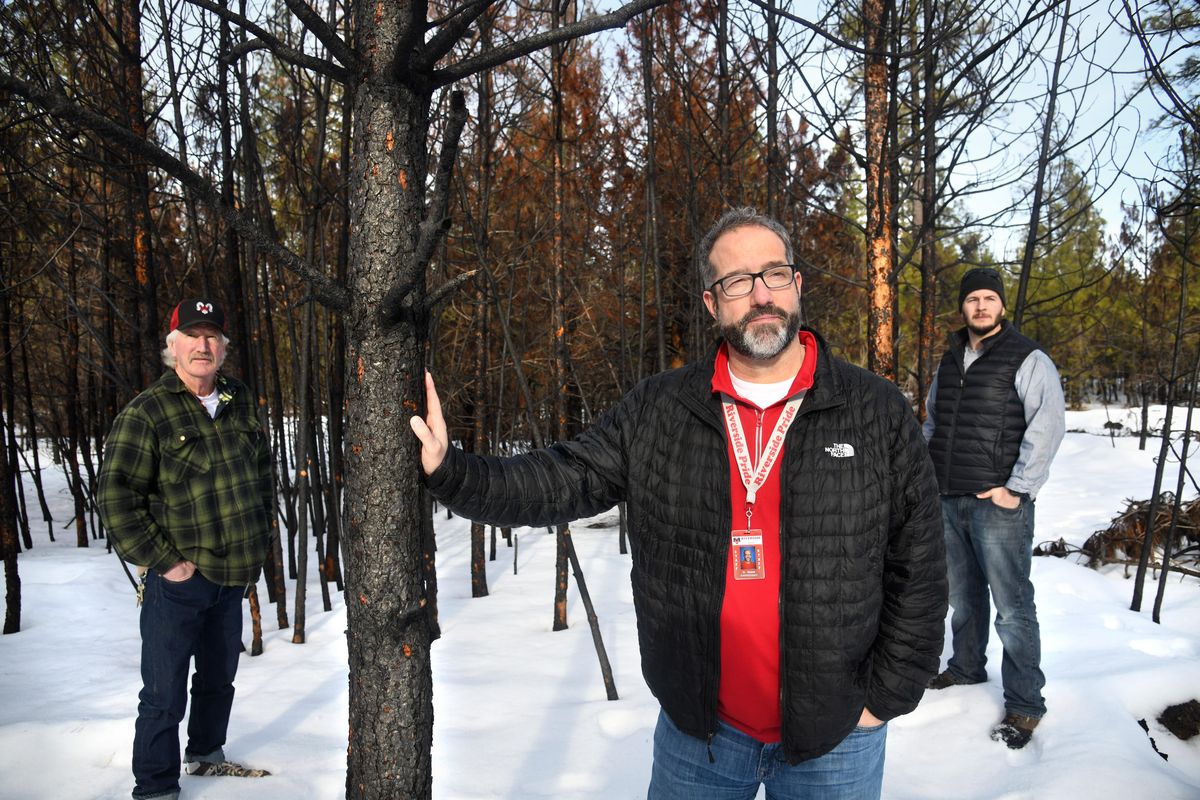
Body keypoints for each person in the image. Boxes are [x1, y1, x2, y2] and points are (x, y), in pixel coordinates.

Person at [411, 208, 947, 799]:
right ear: (712, 304)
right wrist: (450, 470)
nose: (759, 294)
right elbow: (564, 479)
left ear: (797, 284)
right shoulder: (662, 409)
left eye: (773, 273)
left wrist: (885, 698)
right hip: (702, 734)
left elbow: (918, 565)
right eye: (737, 281)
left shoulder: (875, 411)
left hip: (837, 735)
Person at [98, 299, 273, 799]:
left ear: (224, 348)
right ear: (172, 346)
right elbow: (116, 497)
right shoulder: (147, 412)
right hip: (179, 583)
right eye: (192, 336)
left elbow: (261, 476)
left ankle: (205, 755)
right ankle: (155, 788)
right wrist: (166, 563)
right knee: (163, 694)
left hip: (232, 576)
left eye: (213, 336)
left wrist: (257, 546)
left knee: (219, 681)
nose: (203, 345)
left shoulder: (238, 398)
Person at [922, 267, 1065, 750]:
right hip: (948, 498)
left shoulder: (1027, 358)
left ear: (1001, 305)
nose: (980, 306)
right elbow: (933, 423)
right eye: (972, 300)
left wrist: (1017, 489)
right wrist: (924, 478)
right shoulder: (949, 360)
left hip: (997, 505)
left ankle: (1025, 704)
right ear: (962, 307)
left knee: (1012, 606)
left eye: (989, 298)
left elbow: (1047, 427)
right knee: (963, 597)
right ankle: (965, 668)